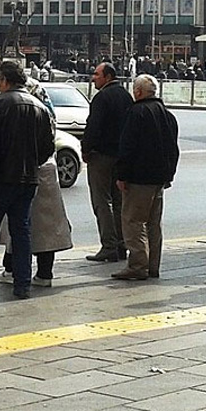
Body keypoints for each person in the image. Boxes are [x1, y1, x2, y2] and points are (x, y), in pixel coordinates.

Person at [0, 61, 54, 299]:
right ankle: (23, 285)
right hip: (28, 179)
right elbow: (47, 147)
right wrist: (31, 163)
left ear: (5, 81)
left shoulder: (0, 103)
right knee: (21, 232)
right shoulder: (39, 107)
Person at [0, 82, 73, 289]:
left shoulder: (21, 111)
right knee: (46, 226)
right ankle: (44, 273)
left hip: (23, 170)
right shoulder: (45, 111)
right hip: (46, 170)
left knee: (18, 224)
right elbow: (49, 145)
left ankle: (12, 270)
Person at [112, 74, 179, 281]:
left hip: (139, 178)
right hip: (158, 179)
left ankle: (138, 265)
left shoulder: (136, 112)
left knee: (133, 221)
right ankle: (153, 265)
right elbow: (173, 150)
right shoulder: (167, 115)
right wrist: (169, 175)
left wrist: (122, 175)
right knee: (153, 223)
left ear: (138, 92)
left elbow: (127, 147)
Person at [82, 62, 134, 263]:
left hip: (102, 156)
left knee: (101, 201)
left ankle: (109, 246)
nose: (93, 78)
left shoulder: (101, 98)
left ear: (108, 76)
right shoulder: (125, 96)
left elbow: (93, 128)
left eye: (97, 74)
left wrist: (86, 149)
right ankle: (122, 244)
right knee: (119, 201)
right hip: (120, 157)